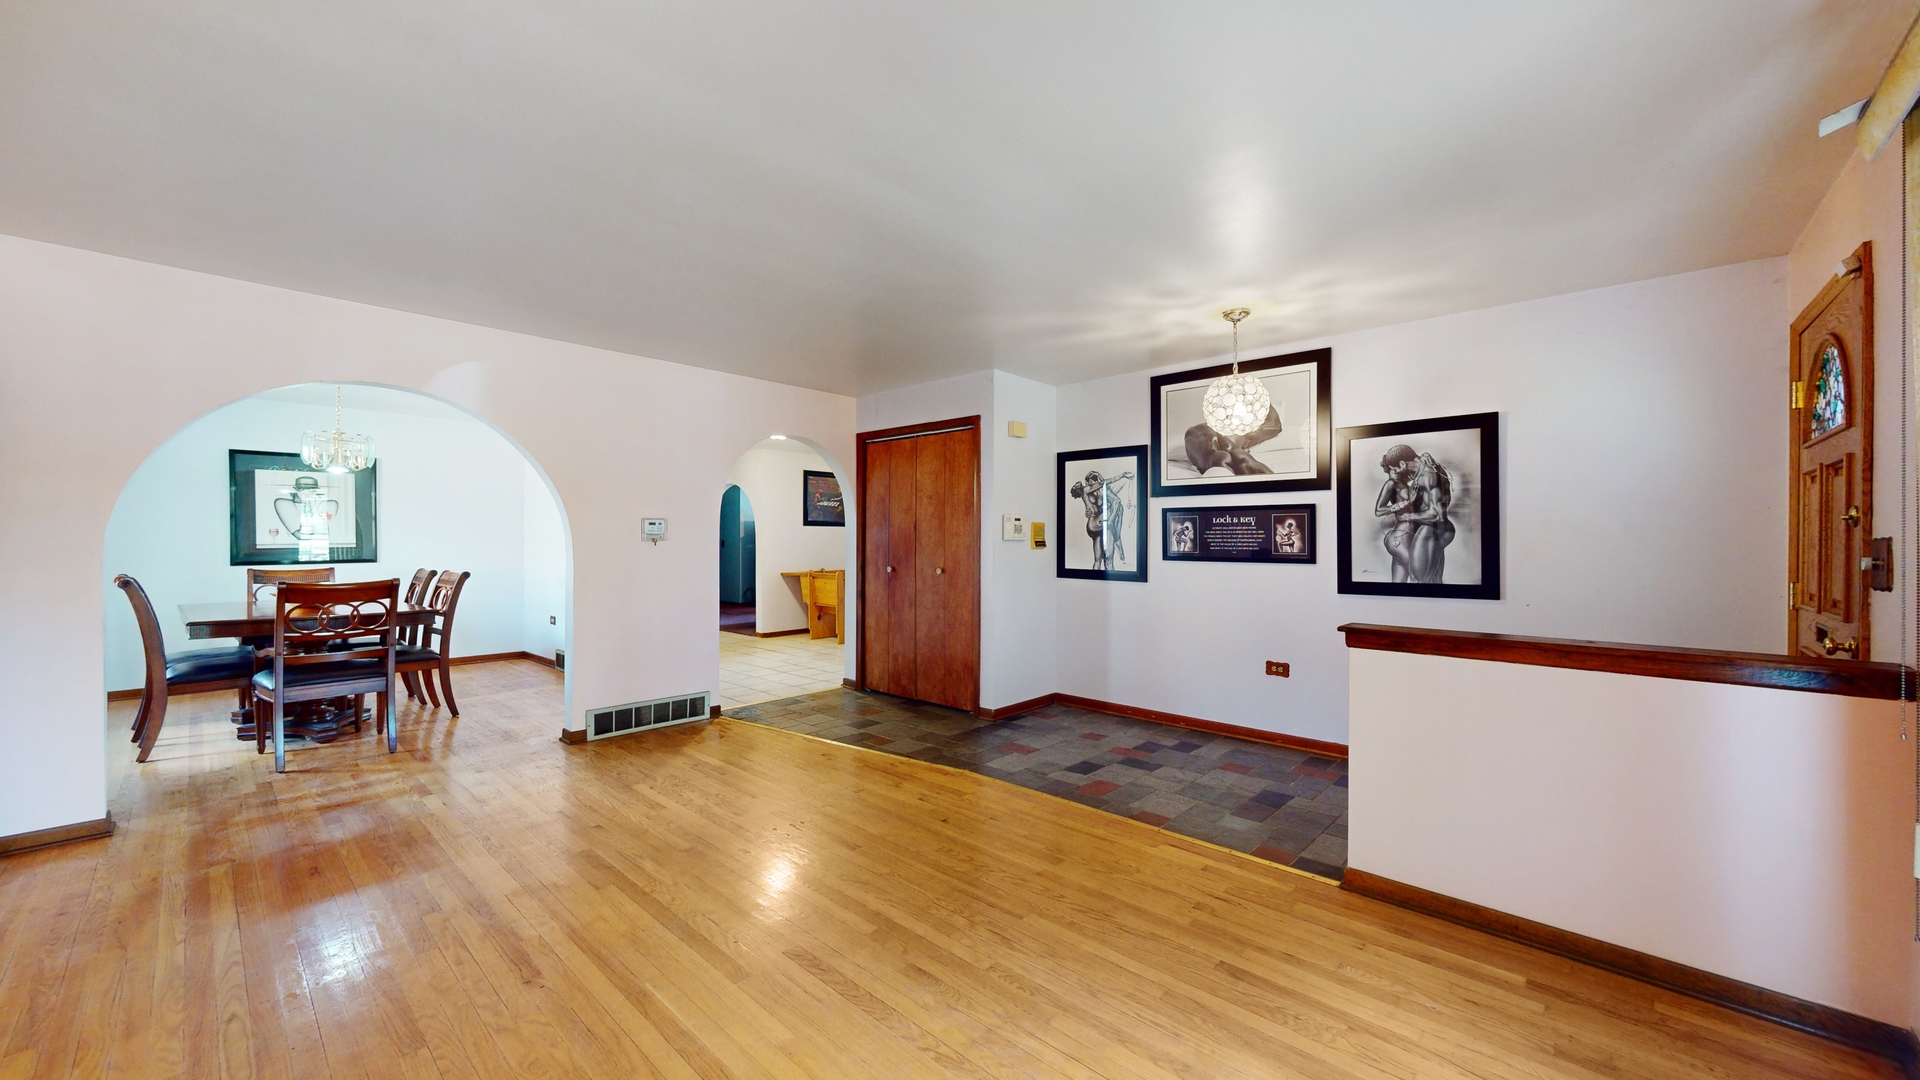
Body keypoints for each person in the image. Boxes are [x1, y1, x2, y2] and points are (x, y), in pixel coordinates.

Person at [1373, 445, 1453, 583]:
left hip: (1431, 528)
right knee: (1427, 581)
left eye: (1395, 469)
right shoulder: (1427, 471)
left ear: (1402, 463)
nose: (1395, 473)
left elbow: (1437, 514)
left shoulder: (1428, 475)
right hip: (1409, 534)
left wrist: (1409, 516)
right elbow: (1379, 510)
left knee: (1424, 581)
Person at [1069, 468, 1134, 569]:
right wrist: (1121, 475)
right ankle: (1118, 542)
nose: (1076, 483)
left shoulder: (1090, 493)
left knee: (1097, 560)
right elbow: (1103, 483)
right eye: (1096, 478)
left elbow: (1094, 506)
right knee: (1117, 504)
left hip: (1092, 525)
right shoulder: (1086, 489)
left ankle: (1094, 580)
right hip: (1096, 523)